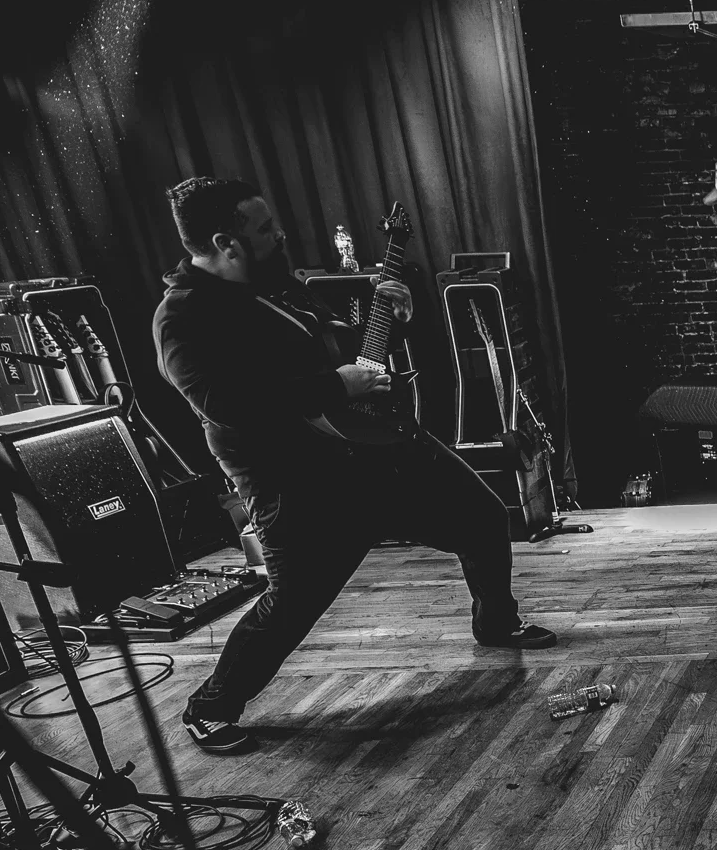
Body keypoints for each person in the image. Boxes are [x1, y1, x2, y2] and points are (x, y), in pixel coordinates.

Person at [153, 177, 555, 755]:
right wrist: (333, 385)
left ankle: (496, 622)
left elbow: (331, 343)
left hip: (370, 442)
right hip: (296, 478)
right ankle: (210, 706)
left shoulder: (276, 285)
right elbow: (226, 404)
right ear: (227, 242)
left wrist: (391, 320)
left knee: (484, 517)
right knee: (292, 604)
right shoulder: (184, 318)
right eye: (264, 229)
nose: (280, 234)